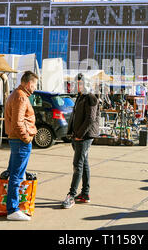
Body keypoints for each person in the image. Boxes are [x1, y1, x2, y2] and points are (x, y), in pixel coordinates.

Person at [62, 73, 100, 209]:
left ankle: (71, 195)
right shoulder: (81, 97)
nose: (77, 86)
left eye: (80, 83)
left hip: (84, 136)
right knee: (83, 164)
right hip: (78, 135)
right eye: (76, 83)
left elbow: (90, 119)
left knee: (77, 164)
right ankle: (85, 193)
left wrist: (79, 134)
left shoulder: (91, 98)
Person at [4, 71, 39, 221]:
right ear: (29, 83)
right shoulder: (20, 96)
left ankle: (13, 206)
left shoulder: (17, 94)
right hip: (20, 141)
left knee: (15, 173)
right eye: (35, 84)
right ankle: (13, 209)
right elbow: (18, 122)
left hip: (16, 140)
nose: (35, 88)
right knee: (16, 176)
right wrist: (26, 139)